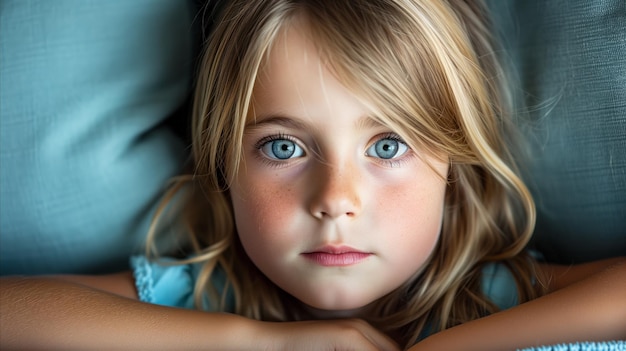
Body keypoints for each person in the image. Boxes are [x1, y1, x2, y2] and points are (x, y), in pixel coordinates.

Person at [1, 1, 624, 350]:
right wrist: (253, 345)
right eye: (281, 148)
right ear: (226, 166)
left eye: (386, 146)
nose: (335, 201)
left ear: (453, 169)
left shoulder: (493, 298)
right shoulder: (205, 297)